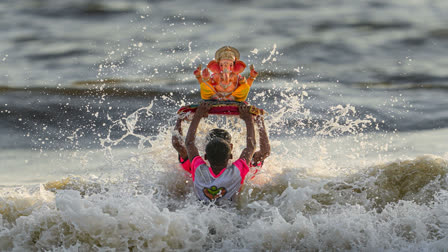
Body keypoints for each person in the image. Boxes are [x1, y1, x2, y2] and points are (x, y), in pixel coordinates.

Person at [182, 102, 256, 202]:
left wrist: (198, 115)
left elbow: (189, 143)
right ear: (230, 156)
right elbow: (251, 147)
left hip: (200, 213)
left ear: (205, 157)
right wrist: (248, 119)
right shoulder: (236, 172)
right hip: (230, 213)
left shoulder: (199, 169)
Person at [172, 109, 270, 177]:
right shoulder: (240, 169)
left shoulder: (196, 167)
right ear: (231, 148)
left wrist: (180, 119)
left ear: (205, 150)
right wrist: (258, 121)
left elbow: (178, 144)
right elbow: (264, 152)